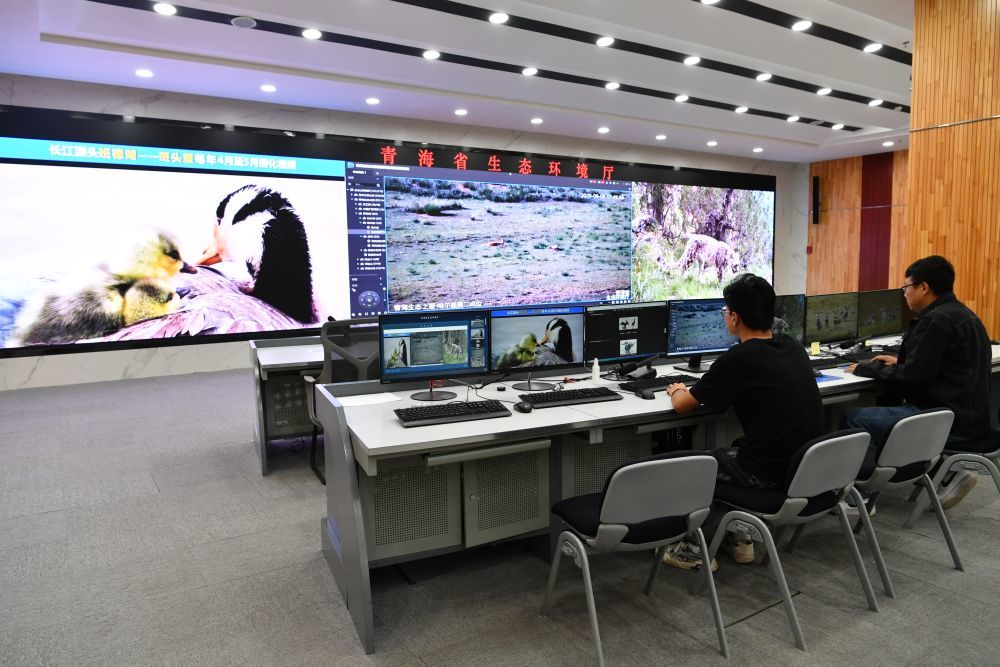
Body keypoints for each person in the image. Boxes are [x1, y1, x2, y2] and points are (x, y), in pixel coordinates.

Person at [663, 273, 826, 569]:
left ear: (735, 317)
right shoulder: (792, 346)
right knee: (733, 450)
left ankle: (692, 548)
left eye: (725, 311)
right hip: (806, 471)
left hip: (769, 474)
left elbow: (683, 406)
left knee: (696, 466)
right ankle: (738, 537)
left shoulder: (738, 358)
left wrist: (676, 389)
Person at [845, 255, 994, 509]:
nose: (904, 294)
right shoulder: (962, 314)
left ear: (923, 287)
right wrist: (900, 362)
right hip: (970, 417)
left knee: (855, 418)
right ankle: (940, 474)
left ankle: (864, 492)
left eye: (906, 287)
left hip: (946, 421)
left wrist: (867, 368)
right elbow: (940, 365)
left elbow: (913, 377)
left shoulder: (935, 320)